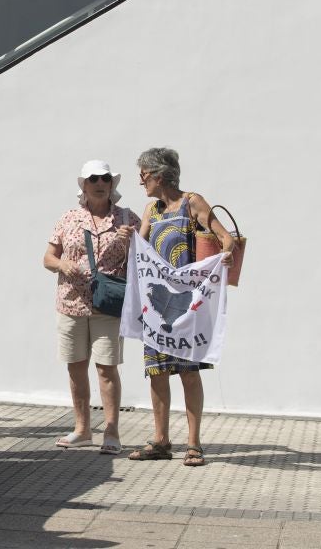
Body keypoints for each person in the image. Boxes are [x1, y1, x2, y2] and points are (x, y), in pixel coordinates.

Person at [128, 147, 235, 467]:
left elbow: (225, 237)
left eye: (144, 175)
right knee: (157, 372)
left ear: (159, 175)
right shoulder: (151, 210)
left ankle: (194, 444)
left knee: (188, 373)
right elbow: (140, 247)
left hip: (188, 305)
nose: (141, 181)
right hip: (158, 305)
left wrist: (226, 253)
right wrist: (128, 236)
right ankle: (161, 441)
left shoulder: (192, 202)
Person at [43, 160, 139, 455]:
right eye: (93, 178)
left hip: (108, 304)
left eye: (105, 178)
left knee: (107, 369)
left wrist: (134, 241)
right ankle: (82, 429)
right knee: (76, 367)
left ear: (112, 184)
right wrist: (63, 263)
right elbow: (48, 257)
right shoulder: (69, 218)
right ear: (83, 185)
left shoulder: (127, 218)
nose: (100, 182)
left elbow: (145, 260)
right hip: (71, 302)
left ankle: (111, 431)